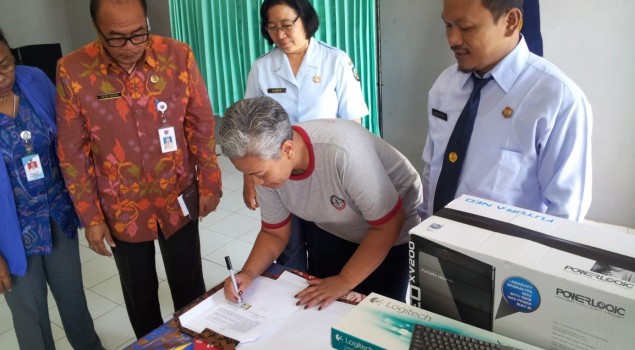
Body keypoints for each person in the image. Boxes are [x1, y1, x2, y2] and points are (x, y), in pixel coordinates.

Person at [55, 0, 222, 338]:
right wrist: (91, 217)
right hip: (120, 206)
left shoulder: (177, 56)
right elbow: (73, 152)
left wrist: (210, 184)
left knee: (189, 283)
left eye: (138, 34)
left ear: (146, 22)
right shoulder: (73, 70)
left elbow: (200, 124)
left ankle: (198, 344)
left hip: (178, 192)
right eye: (116, 38)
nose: (130, 46)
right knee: (139, 292)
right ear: (97, 29)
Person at [220, 96, 422, 308]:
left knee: (377, 310)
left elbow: (387, 226)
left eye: (258, 174)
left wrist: (344, 281)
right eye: (247, 174)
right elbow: (274, 233)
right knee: (323, 299)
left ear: (288, 150)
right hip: (333, 224)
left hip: (390, 229)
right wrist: (249, 273)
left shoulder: (342, 153)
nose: (255, 182)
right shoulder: (265, 166)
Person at [419, 0, 592, 221]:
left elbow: (566, 211)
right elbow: (433, 166)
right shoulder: (445, 85)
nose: (452, 39)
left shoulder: (557, 100)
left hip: (504, 252)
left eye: (466, 28)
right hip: (434, 240)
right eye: (448, 25)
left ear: (511, 21)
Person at [243, 0, 369, 272]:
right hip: (279, 174)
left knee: (329, 246)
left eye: (287, 25)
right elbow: (251, 129)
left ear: (305, 20)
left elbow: (353, 124)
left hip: (328, 174)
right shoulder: (262, 68)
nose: (281, 35)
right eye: (272, 27)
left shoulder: (335, 61)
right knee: (289, 250)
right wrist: (249, 179)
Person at [0, 28, 103, 350]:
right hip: (11, 231)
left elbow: (69, 141)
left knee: (73, 297)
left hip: (57, 213)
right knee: (30, 313)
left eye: (4, 64)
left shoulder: (33, 80)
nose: (2, 76)